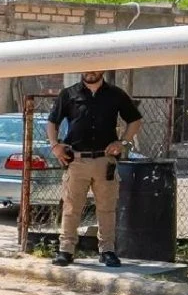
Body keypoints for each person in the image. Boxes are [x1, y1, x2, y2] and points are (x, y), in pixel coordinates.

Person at [46, 71, 143, 268]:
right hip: (77, 160)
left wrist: (122, 142)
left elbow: (135, 120)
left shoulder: (116, 94)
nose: (90, 72)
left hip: (104, 161)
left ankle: (107, 251)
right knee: (71, 206)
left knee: (106, 208)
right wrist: (55, 145)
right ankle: (66, 250)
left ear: (102, 70)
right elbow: (52, 121)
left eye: (95, 67)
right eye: (87, 68)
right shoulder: (69, 94)